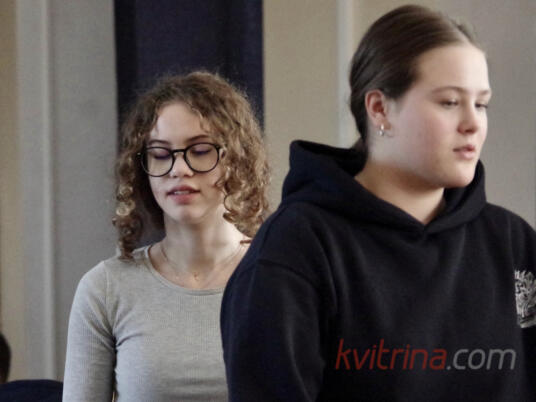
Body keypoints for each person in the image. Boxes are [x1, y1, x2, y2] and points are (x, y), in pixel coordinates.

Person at [221, 5, 536, 401]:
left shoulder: (513, 243)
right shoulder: (296, 250)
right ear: (380, 108)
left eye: (482, 103)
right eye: (449, 102)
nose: (473, 123)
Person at [63, 71, 269, 401]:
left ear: (235, 158)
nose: (179, 169)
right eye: (160, 154)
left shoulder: (280, 278)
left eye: (200, 150)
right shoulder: (105, 288)